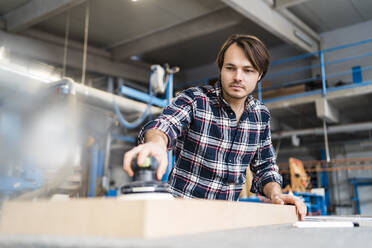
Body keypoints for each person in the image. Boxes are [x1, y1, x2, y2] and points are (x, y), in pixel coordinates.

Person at [123, 34, 307, 220]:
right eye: (230, 68)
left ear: (260, 75)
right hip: (180, 216)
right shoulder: (195, 100)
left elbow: (265, 168)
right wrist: (156, 144)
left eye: (248, 70)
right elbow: (165, 125)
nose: (238, 77)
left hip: (224, 219)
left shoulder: (261, 116)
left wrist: (277, 194)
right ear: (220, 69)